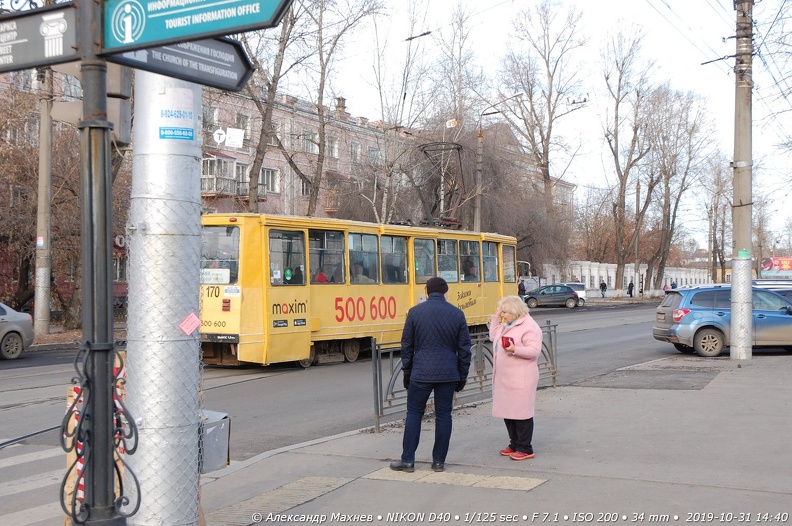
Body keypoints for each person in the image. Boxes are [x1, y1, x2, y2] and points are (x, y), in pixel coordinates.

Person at [390, 277, 472, 474]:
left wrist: (407, 372)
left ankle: (408, 460)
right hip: (448, 373)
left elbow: (407, 347)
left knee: (414, 414)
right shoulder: (457, 314)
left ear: (427, 292)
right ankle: (438, 462)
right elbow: (465, 349)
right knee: (444, 415)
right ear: (445, 292)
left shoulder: (415, 312)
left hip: (421, 373)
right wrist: (462, 376)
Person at [489, 295, 543, 461]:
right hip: (505, 378)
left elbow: (534, 351)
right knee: (509, 412)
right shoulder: (507, 324)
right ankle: (514, 443)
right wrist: (496, 316)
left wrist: (515, 349)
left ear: (514, 311)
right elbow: (493, 336)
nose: (503, 315)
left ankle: (525, 447)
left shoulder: (529, 327)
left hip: (521, 377)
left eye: (505, 312)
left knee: (522, 414)